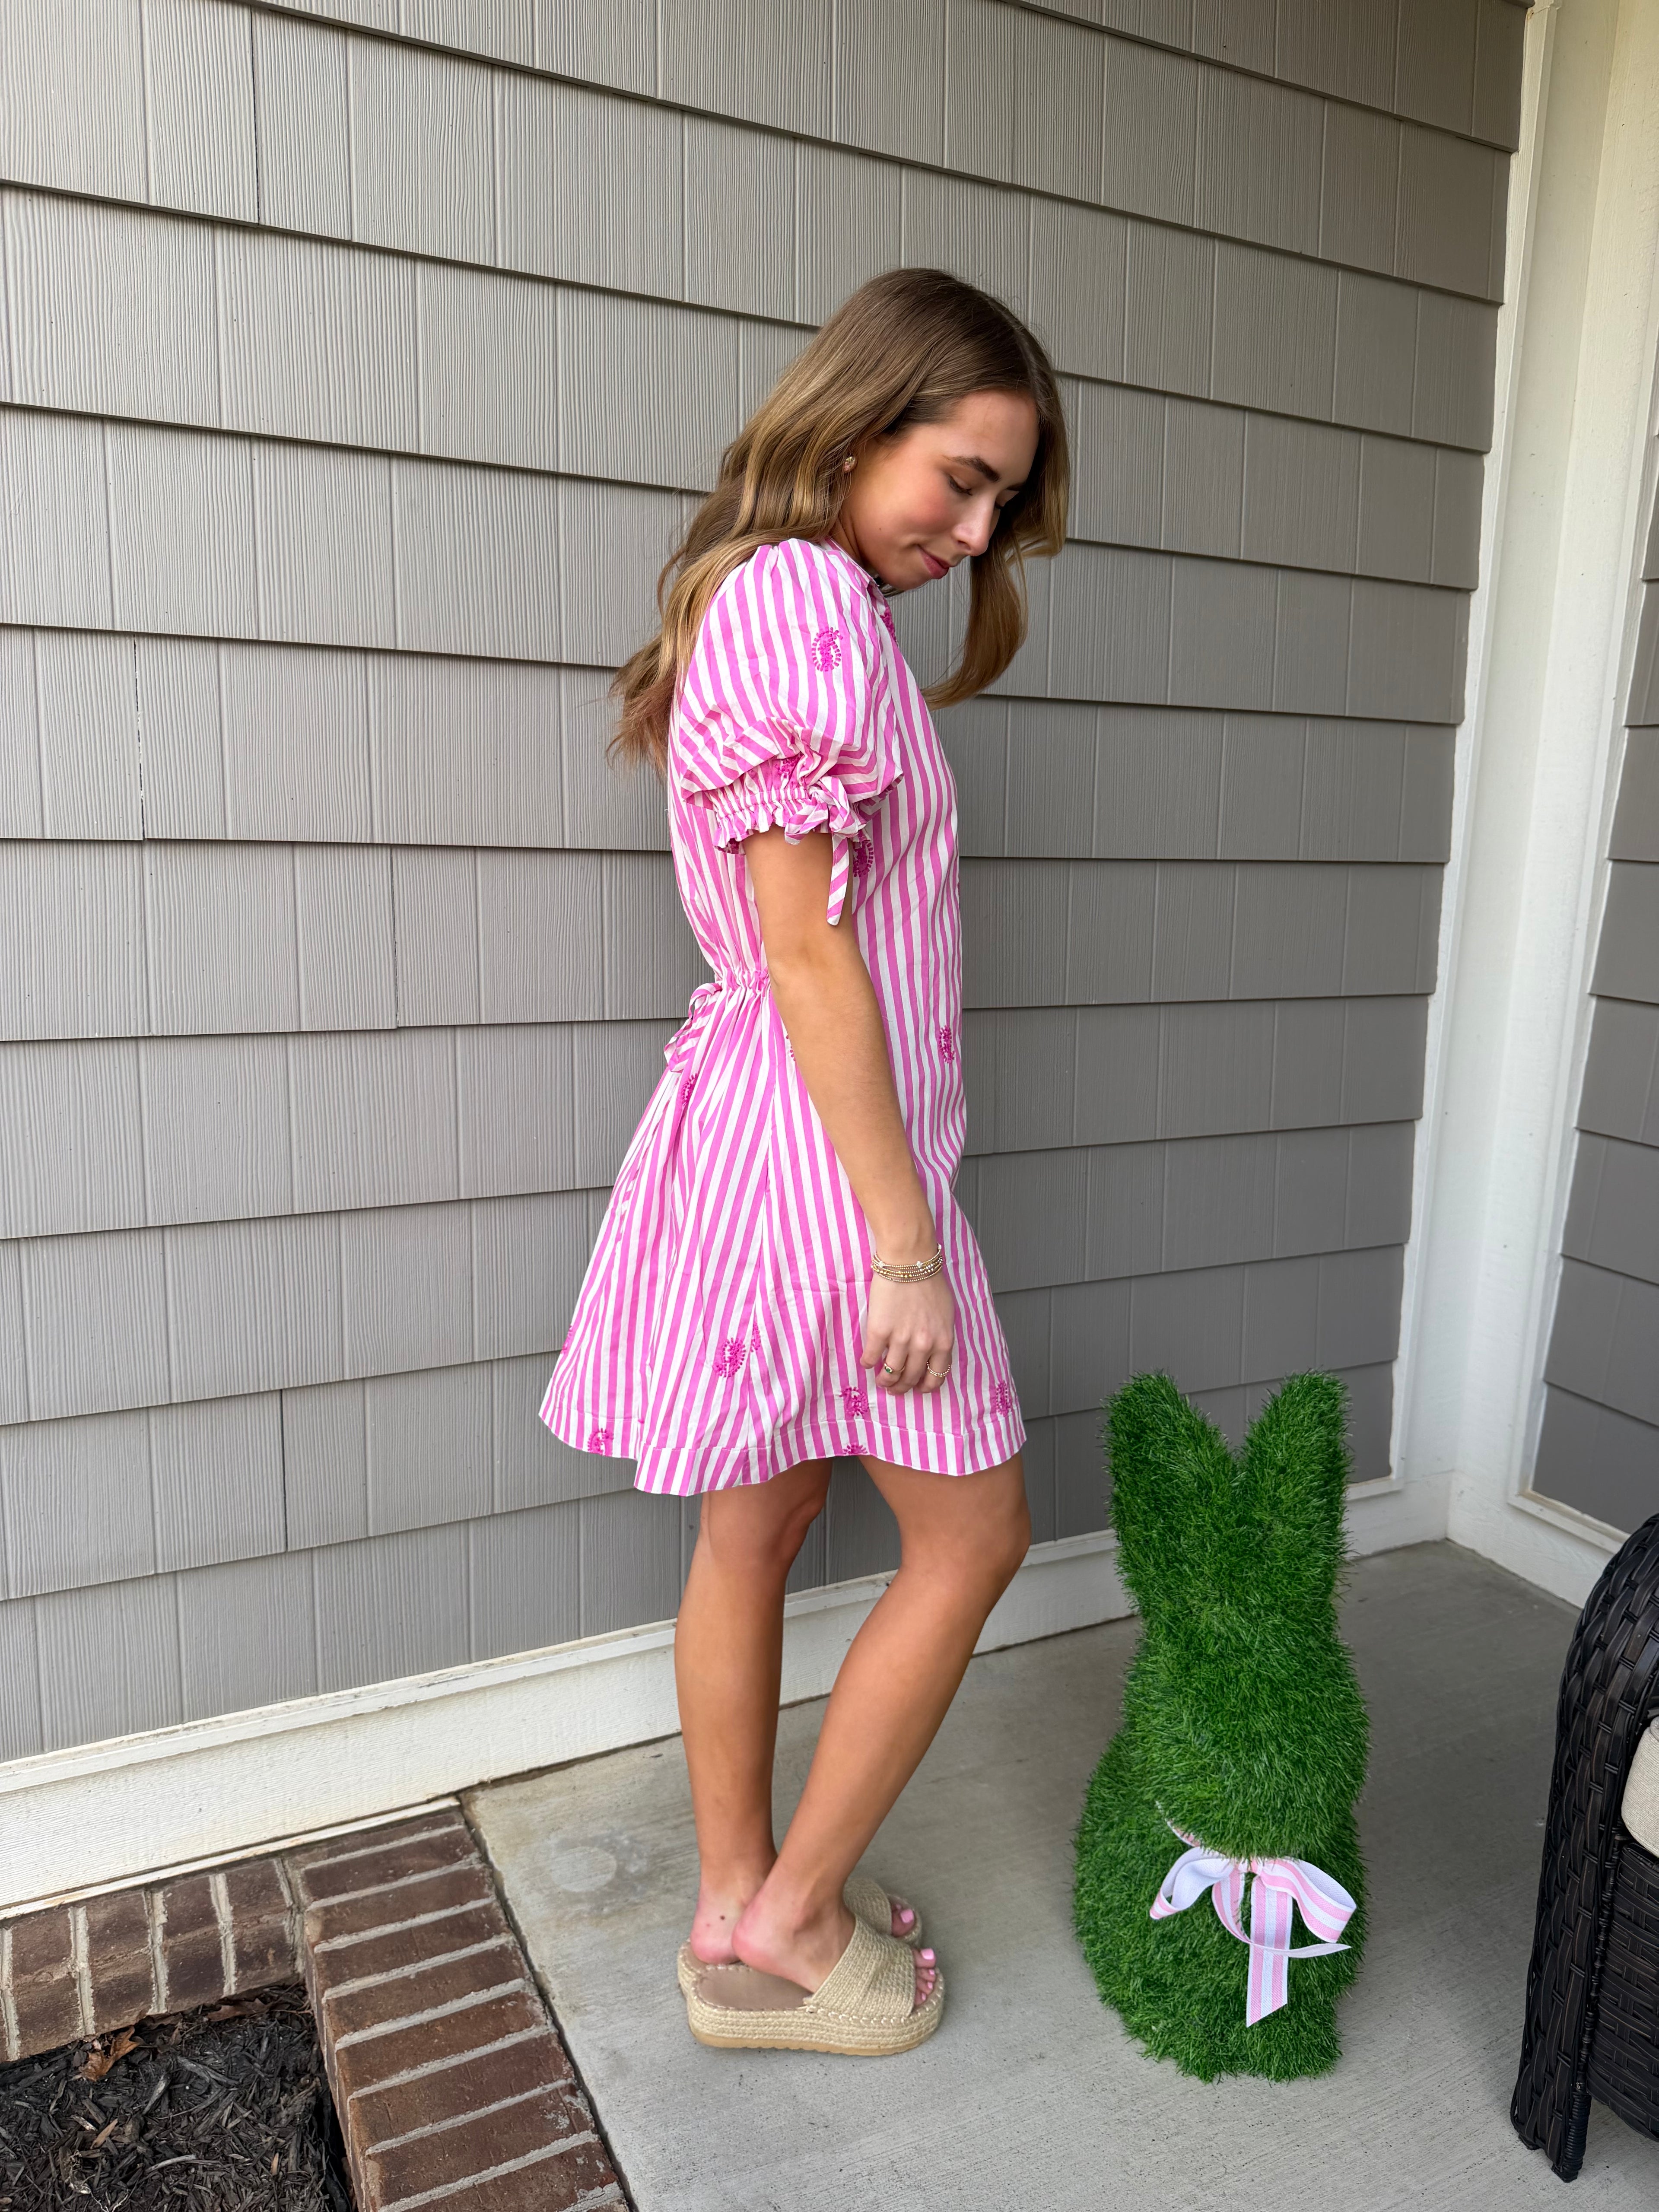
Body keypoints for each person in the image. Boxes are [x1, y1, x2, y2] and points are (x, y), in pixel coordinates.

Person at [541, 267, 1069, 2057]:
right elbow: (812, 948)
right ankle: (783, 1920)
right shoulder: (804, 609)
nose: (977, 528)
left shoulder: (789, 607)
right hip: (834, 1172)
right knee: (974, 1526)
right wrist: (906, 1244)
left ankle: (732, 1901)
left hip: (783, 1152)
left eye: (1003, 500)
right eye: (963, 475)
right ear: (861, 424)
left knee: (753, 1528)